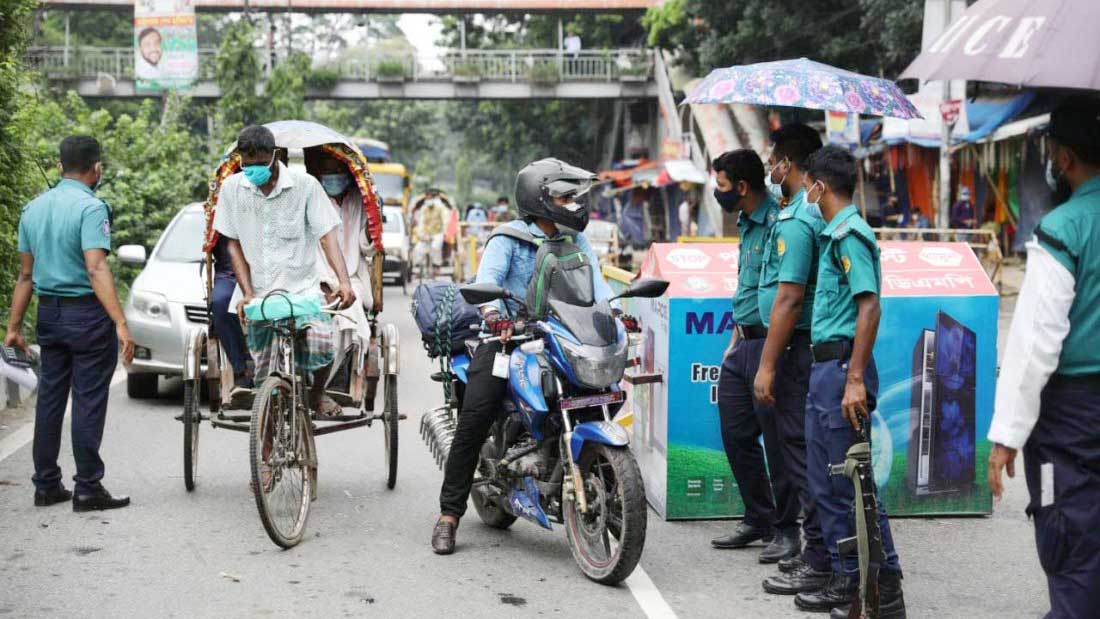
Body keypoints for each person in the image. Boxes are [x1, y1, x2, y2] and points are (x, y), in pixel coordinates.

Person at [431, 158, 618, 555]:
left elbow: (598, 289)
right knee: (475, 419)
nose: (573, 205)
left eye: (573, 197)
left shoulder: (574, 240)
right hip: (507, 340)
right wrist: (496, 316)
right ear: (540, 198)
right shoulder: (507, 238)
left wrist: (615, 315)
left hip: (562, 338)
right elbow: (487, 284)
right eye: (565, 197)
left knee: (605, 391)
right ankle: (449, 515)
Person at [988, 96, 1100, 619]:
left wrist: (1006, 436)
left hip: (1072, 421)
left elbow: (1035, 342)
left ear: (1065, 157)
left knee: (1071, 542)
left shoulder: (1065, 228)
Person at [793, 146, 905, 618]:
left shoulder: (851, 235)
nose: (804, 194)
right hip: (825, 370)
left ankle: (884, 588)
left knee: (853, 483)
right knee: (826, 481)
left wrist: (855, 378)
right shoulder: (832, 235)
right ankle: (848, 578)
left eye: (806, 186)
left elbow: (869, 306)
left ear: (820, 185)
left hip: (843, 370)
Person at [5, 135, 134, 511]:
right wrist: (121, 324)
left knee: (50, 399)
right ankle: (88, 488)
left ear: (60, 166)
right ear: (97, 169)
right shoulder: (92, 209)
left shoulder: (32, 209)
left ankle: (46, 485)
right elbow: (95, 267)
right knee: (88, 401)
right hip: (88, 317)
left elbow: (25, 277)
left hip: (50, 314)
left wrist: (13, 327)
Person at [212, 125, 355, 416]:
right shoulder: (232, 190)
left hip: (301, 290)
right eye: (247, 164)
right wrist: (248, 292)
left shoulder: (305, 187)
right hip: (259, 294)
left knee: (322, 342)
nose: (253, 170)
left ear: (275, 156)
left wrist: (344, 281)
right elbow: (233, 244)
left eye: (260, 163)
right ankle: (265, 443)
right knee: (264, 375)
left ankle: (316, 394)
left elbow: (327, 236)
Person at [752, 123, 833, 595]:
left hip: (797, 350)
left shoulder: (803, 218)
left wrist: (766, 364)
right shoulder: (803, 212)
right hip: (801, 348)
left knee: (803, 455)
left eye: (774, 160)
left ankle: (817, 556)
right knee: (805, 452)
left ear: (790, 163)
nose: (770, 168)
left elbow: (788, 297)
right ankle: (816, 551)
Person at [707, 149, 799, 565]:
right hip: (741, 342)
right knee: (735, 433)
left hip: (769, 346)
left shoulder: (780, 223)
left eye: (722, 186)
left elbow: (785, 296)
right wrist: (733, 339)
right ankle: (758, 517)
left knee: (777, 443)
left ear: (742, 187)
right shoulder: (744, 222)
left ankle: (786, 528)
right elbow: (747, 287)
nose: (718, 193)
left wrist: (768, 360)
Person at [211, 235, 252, 408]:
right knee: (220, 302)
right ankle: (240, 368)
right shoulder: (224, 211)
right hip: (229, 272)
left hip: (265, 267)